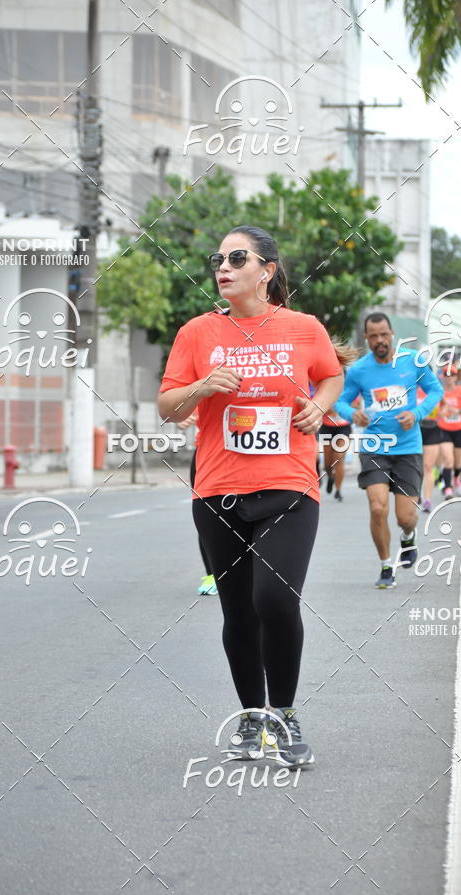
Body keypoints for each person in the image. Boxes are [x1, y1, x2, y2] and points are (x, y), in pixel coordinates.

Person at [158, 224, 345, 768]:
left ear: (267, 270)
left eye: (237, 258)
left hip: (289, 485)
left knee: (276, 601)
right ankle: (252, 718)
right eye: (218, 259)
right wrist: (202, 386)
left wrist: (318, 407)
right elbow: (168, 407)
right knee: (238, 612)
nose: (224, 267)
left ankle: (284, 715)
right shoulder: (196, 333)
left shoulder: (303, 328)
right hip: (218, 489)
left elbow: (330, 376)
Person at [335, 313, 443, 588]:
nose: (380, 340)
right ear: (367, 338)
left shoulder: (412, 361)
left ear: (392, 333)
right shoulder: (359, 370)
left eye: (384, 334)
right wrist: (352, 414)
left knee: (405, 517)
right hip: (374, 446)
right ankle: (386, 565)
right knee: (377, 507)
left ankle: (408, 536)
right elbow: (340, 401)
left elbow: (435, 391)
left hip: (408, 447)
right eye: (373, 336)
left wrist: (417, 413)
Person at [177, 411, 217, 595]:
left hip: (266, 458)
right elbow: (178, 405)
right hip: (210, 455)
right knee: (209, 516)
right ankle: (212, 575)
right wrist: (181, 414)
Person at [436, 365, 461, 500]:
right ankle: (448, 488)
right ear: (443, 377)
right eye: (446, 375)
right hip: (444, 428)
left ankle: (457, 478)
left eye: (452, 375)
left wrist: (459, 411)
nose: (449, 377)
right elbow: (435, 409)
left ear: (456, 377)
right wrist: (441, 412)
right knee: (448, 460)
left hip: (460, 429)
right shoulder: (439, 392)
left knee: (458, 462)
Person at [418, 388, 444, 513]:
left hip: (433, 428)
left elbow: (445, 405)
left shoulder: (436, 390)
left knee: (428, 466)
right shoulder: (411, 389)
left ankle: (427, 500)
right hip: (415, 429)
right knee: (417, 465)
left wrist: (443, 412)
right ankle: (417, 493)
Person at [318, 406, 352, 501]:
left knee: (339, 457)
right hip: (327, 427)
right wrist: (328, 409)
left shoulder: (348, 395)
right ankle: (331, 477)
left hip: (344, 427)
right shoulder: (326, 394)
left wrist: (343, 409)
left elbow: (356, 406)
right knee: (327, 465)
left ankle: (338, 490)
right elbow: (319, 407)